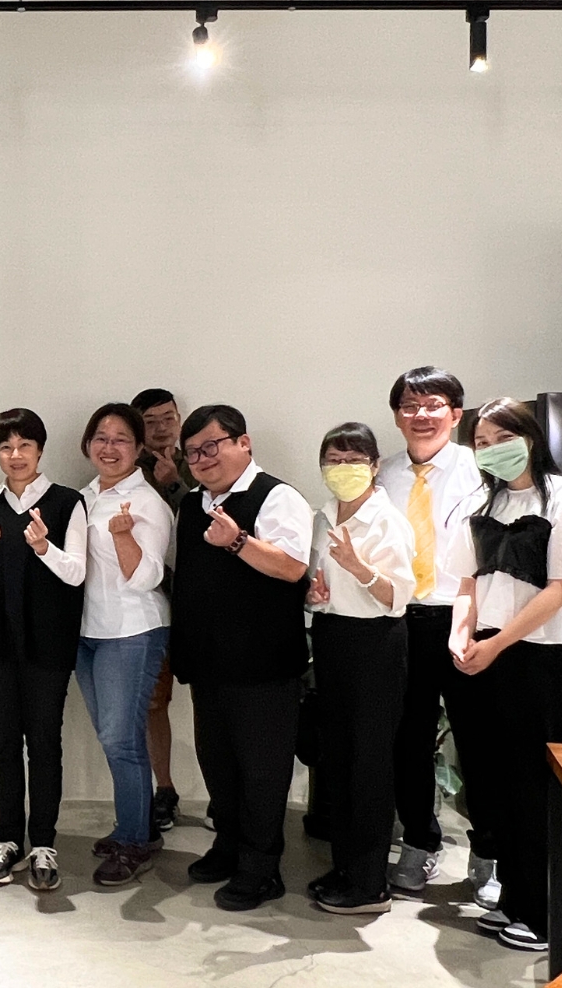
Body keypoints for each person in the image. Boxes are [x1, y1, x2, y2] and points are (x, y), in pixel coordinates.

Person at [448, 397, 562, 953]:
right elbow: (466, 581)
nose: (492, 449)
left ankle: (555, 919)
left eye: (503, 437)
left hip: (540, 653)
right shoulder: (480, 501)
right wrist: (461, 634)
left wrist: (498, 643)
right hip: (484, 650)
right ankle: (518, 898)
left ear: (531, 438)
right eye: (482, 442)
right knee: (497, 783)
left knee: (537, 786)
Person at [171, 403, 313, 911]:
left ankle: (261, 868)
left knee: (262, 772)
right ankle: (228, 847)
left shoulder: (277, 496)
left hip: (263, 665)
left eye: (212, 446)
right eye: (192, 453)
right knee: (219, 766)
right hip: (209, 663)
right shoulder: (192, 505)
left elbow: (293, 567)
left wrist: (237, 541)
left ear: (243, 443)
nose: (202, 459)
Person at [377, 367, 494, 903]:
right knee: (409, 739)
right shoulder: (384, 475)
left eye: (433, 405)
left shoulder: (481, 470)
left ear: (455, 413)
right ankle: (419, 843)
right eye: (409, 405)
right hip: (404, 619)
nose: (420, 415)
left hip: (468, 618)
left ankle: (488, 852)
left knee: (478, 740)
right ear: (397, 415)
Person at [0, 408, 87, 891]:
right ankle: (9, 839)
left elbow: (76, 573)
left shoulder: (67, 502)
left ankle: (44, 843)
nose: (15, 455)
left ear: (40, 449)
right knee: (2, 744)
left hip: (47, 641)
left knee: (45, 742)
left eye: (24, 446)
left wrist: (43, 547)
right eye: (5, 447)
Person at [304, 423, 416, 915]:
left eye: (353, 459)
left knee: (369, 763)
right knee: (339, 759)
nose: (342, 468)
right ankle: (345, 867)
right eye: (333, 459)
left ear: (373, 466)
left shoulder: (388, 520)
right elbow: (317, 585)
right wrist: (313, 595)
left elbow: (398, 598)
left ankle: (370, 884)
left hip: (376, 644)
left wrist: (357, 567)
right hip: (332, 638)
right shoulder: (322, 515)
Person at [74, 403, 175, 886]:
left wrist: (121, 538)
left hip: (132, 630)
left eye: (120, 439)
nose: (109, 447)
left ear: (138, 449)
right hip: (88, 632)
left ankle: (135, 841)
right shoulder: (84, 496)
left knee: (122, 740)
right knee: (113, 738)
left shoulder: (147, 503)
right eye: (101, 437)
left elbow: (147, 577)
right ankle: (136, 828)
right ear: (87, 444)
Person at [131, 388, 196, 835]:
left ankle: (223, 795)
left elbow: (208, 521)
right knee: (154, 701)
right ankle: (164, 790)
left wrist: (175, 483)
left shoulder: (200, 461)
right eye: (150, 420)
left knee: (211, 698)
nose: (160, 427)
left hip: (198, 603)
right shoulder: (125, 468)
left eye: (167, 417)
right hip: (149, 604)